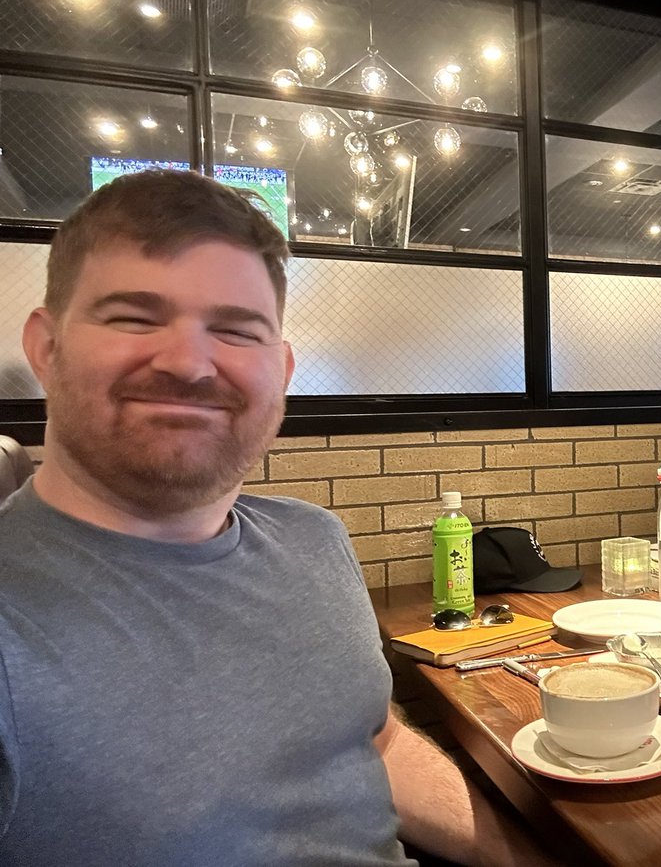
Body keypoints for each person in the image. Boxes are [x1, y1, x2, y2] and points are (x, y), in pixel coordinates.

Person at [0, 169, 550, 865]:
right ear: (46, 348)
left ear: (282, 371)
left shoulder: (313, 539)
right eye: (135, 317)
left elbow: (375, 746)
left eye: (236, 330)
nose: (190, 363)